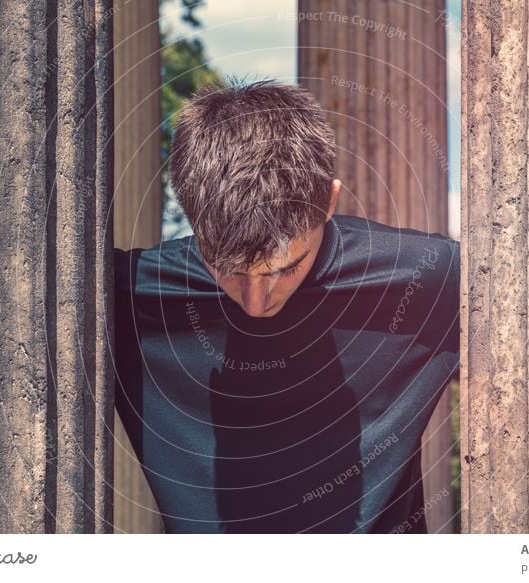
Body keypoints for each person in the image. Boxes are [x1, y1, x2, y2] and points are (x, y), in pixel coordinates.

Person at [113, 77, 460, 533]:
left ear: (329, 202)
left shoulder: (426, 280)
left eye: (286, 268)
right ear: (190, 212)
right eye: (228, 269)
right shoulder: (122, 296)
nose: (256, 303)